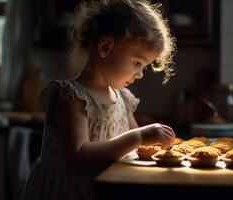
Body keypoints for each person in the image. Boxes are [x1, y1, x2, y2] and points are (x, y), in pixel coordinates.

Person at [21, 0, 176, 199]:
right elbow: (79, 157)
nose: (140, 74)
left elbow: (136, 148)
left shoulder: (123, 99)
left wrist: (155, 144)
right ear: (105, 47)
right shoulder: (71, 97)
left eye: (144, 66)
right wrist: (139, 136)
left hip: (105, 189)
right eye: (137, 63)